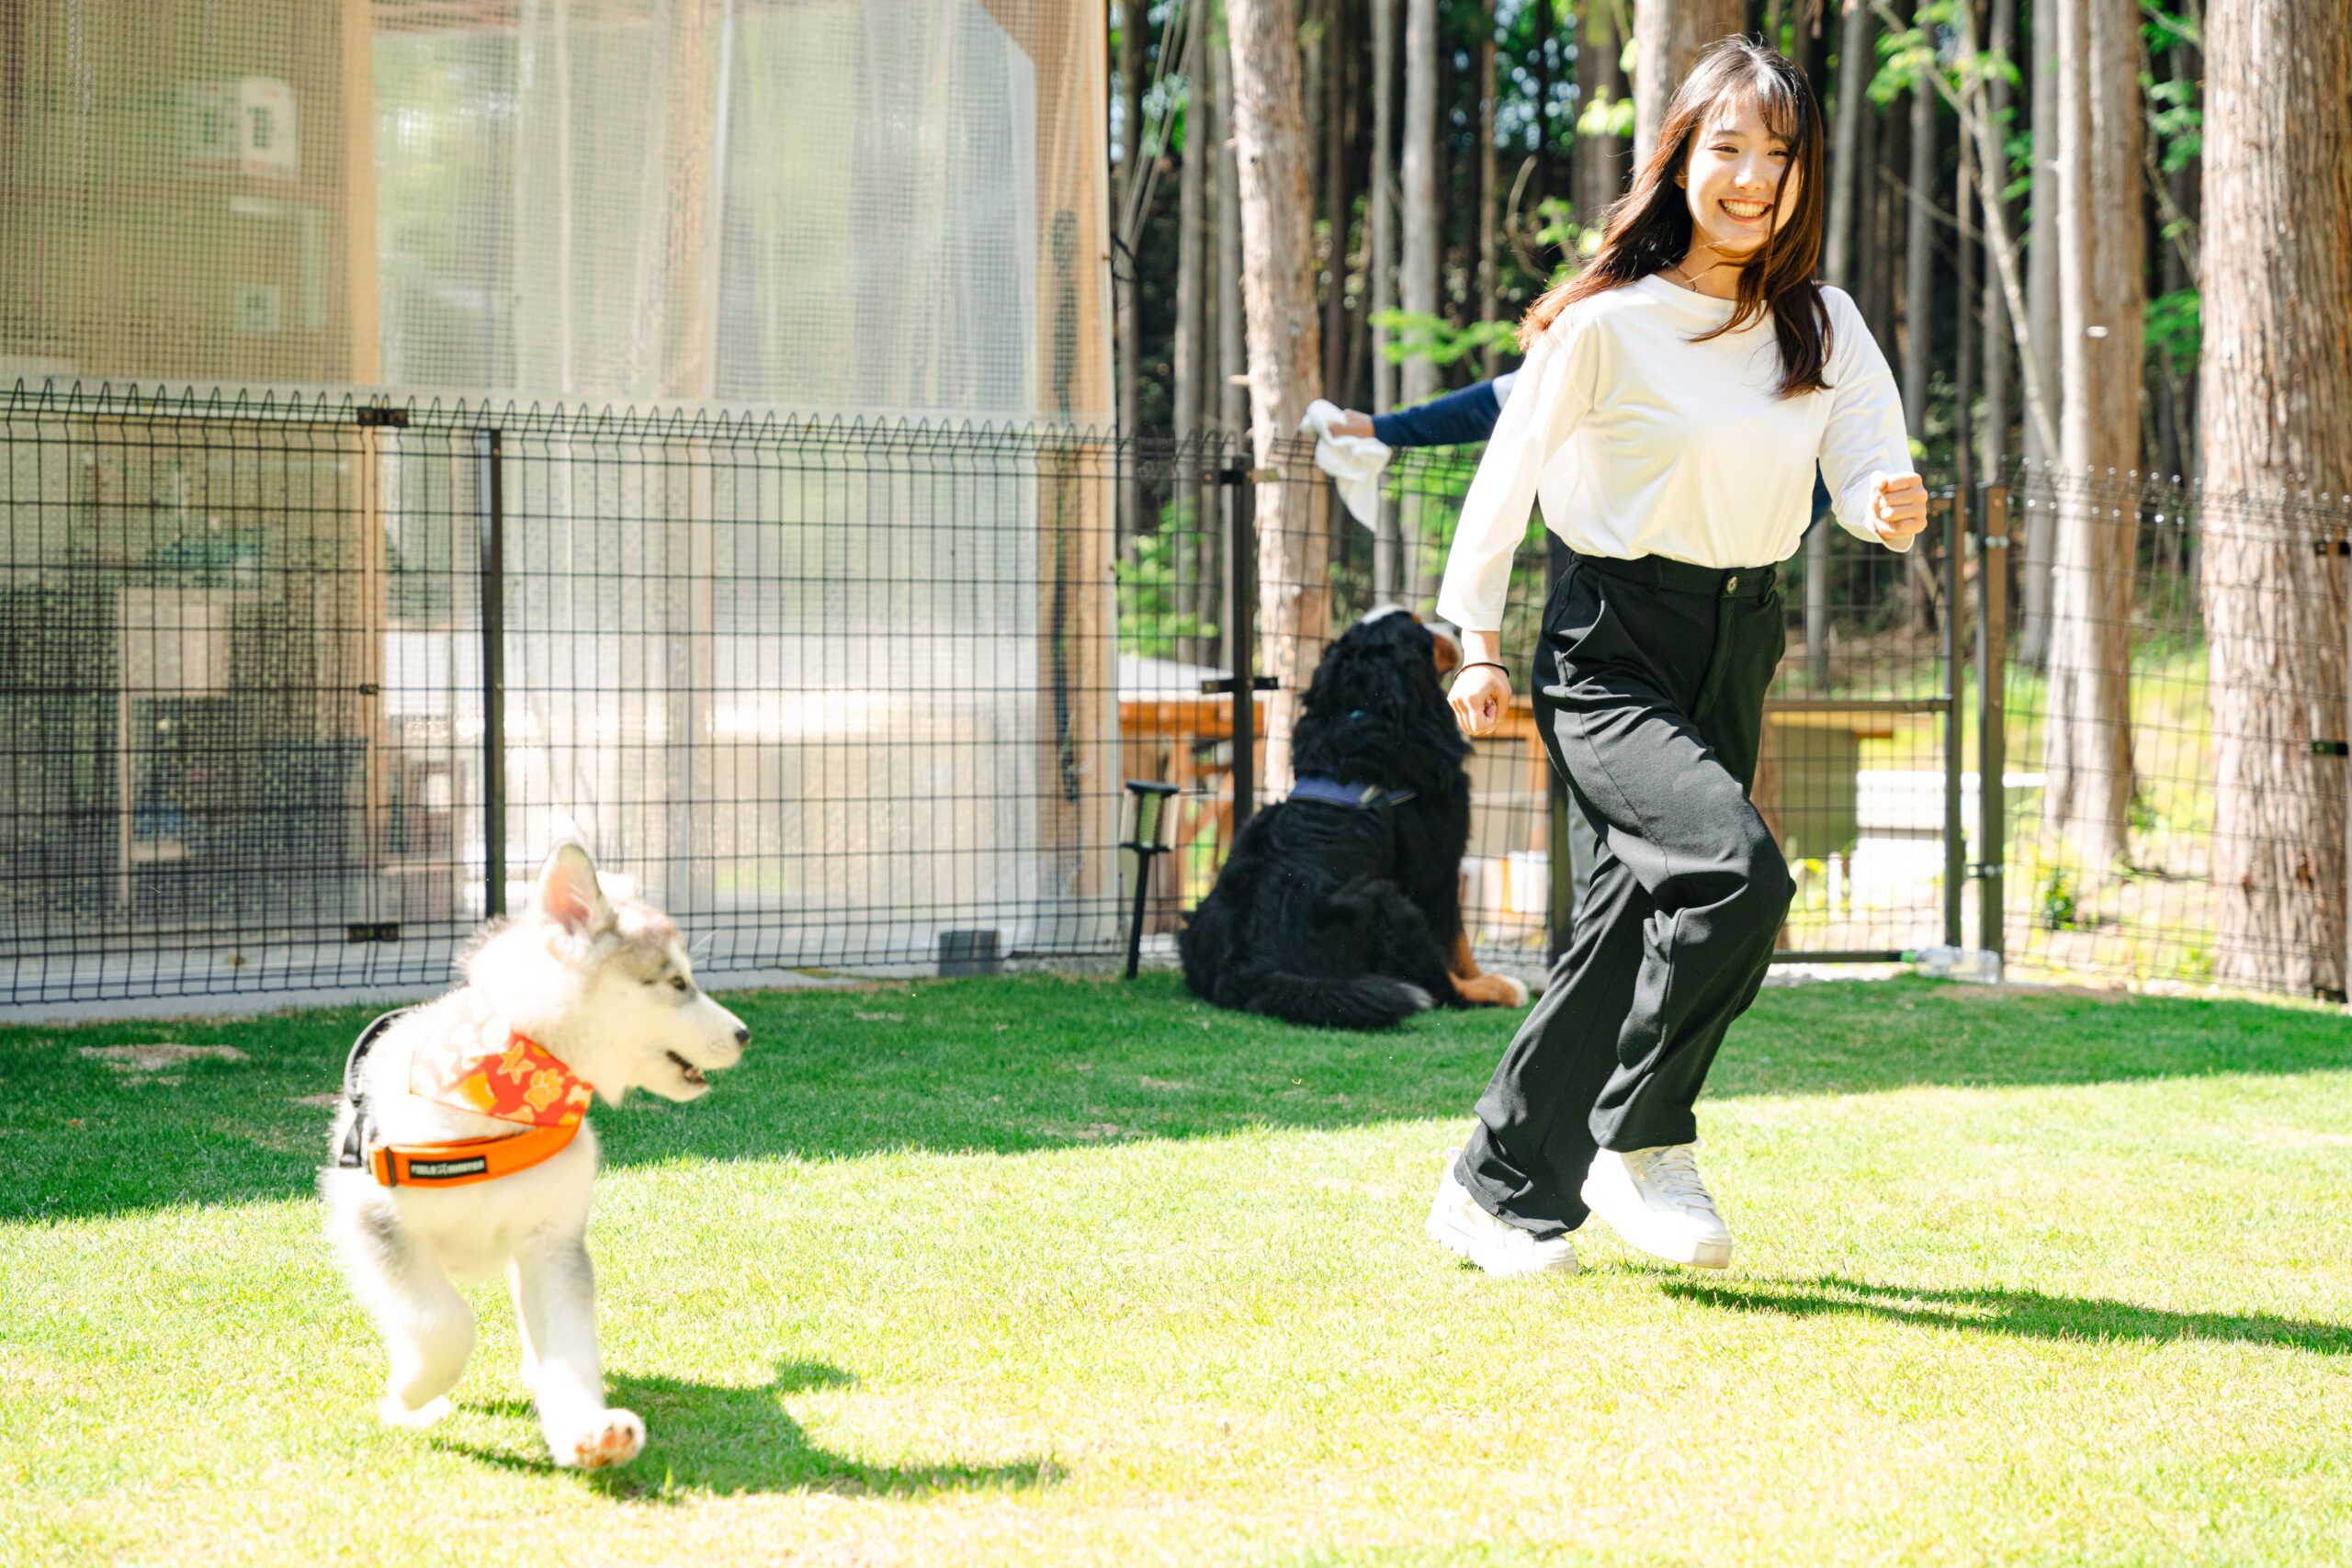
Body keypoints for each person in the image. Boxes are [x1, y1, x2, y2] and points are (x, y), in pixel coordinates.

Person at [1422, 38, 1928, 1279]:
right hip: (1611, 646)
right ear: (1683, 160)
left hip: (1741, 636)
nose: (1754, 179)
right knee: (1735, 878)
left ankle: (1492, 1191)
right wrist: (1475, 641)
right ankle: (1639, 1139)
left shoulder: (1822, 322)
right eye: (1730, 150)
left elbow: (1865, 463)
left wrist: (1882, 504)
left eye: (1780, 156)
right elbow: (1507, 481)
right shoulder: (1609, 325)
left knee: (1617, 930)